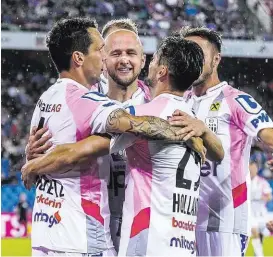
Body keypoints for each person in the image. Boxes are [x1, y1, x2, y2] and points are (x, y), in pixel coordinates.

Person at [22, 36, 224, 256]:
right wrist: (203, 130)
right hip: (183, 241)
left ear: (161, 71)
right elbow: (219, 153)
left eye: (154, 58)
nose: (150, 62)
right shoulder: (191, 118)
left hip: (148, 238)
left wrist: (33, 165)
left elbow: (77, 152)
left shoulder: (142, 113)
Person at [168, 27, 273, 256]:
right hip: (182, 221)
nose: (190, 60)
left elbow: (270, 137)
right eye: (186, 53)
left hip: (224, 224)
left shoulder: (236, 100)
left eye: (197, 53)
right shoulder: (177, 101)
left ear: (216, 59)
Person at [250, 159, 272, 257]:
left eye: (254, 167)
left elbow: (269, 196)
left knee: (260, 234)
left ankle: (256, 253)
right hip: (250, 212)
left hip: (261, 212)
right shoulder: (244, 181)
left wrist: (259, 197)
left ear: (257, 169)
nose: (252, 170)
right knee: (254, 231)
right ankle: (259, 255)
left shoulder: (262, 182)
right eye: (251, 167)